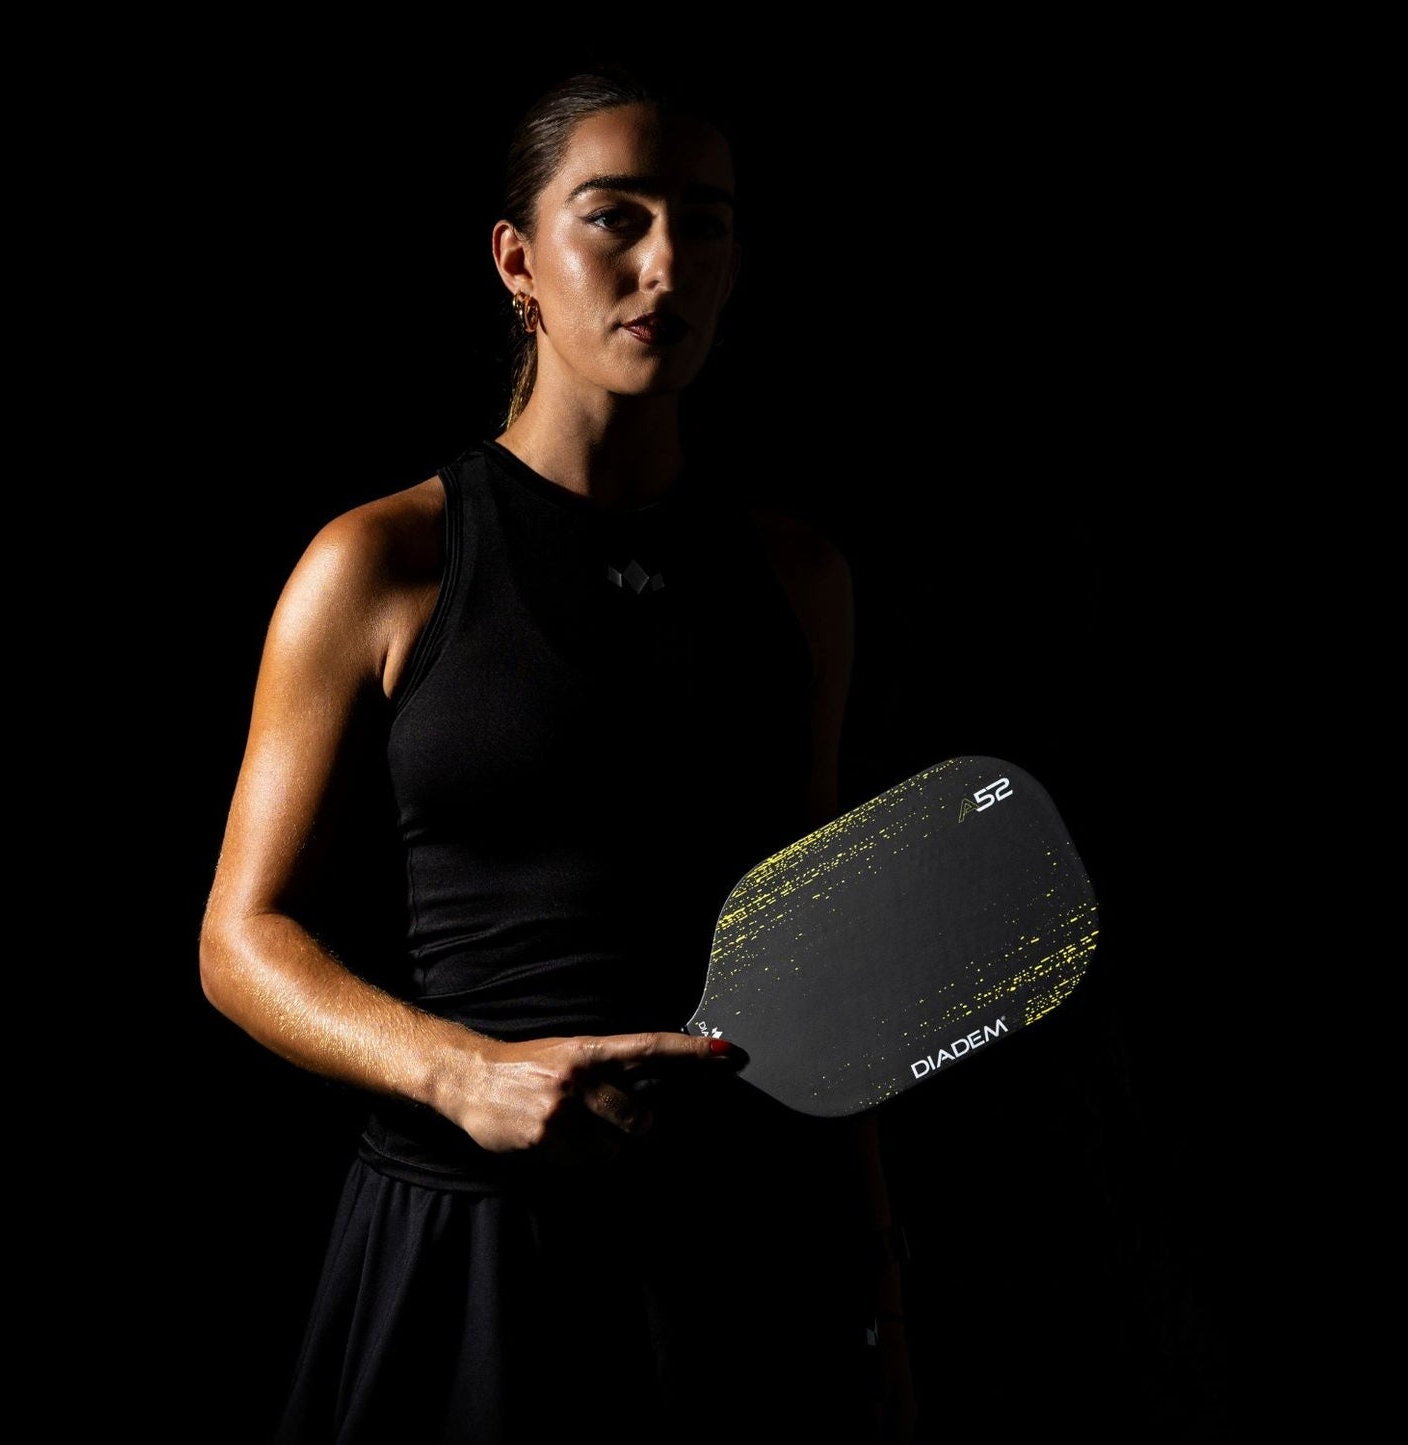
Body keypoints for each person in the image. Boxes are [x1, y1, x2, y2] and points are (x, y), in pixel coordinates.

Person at [200, 63, 916, 1443]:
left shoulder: (800, 580)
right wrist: (463, 1072)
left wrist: (882, 1290)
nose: (667, 264)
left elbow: (830, 965)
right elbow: (240, 939)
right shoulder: (384, 561)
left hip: (742, 1258)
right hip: (467, 1246)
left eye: (706, 223)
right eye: (616, 216)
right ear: (518, 261)